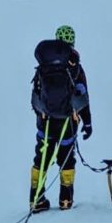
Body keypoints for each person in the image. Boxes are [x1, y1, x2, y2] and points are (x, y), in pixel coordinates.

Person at [29, 24, 92, 212]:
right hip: (67, 122)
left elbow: (36, 94)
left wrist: (40, 113)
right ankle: (66, 200)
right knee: (66, 159)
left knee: (42, 159)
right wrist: (87, 122)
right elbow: (82, 96)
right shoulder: (75, 68)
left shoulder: (44, 67)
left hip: (45, 121)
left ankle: (36, 200)